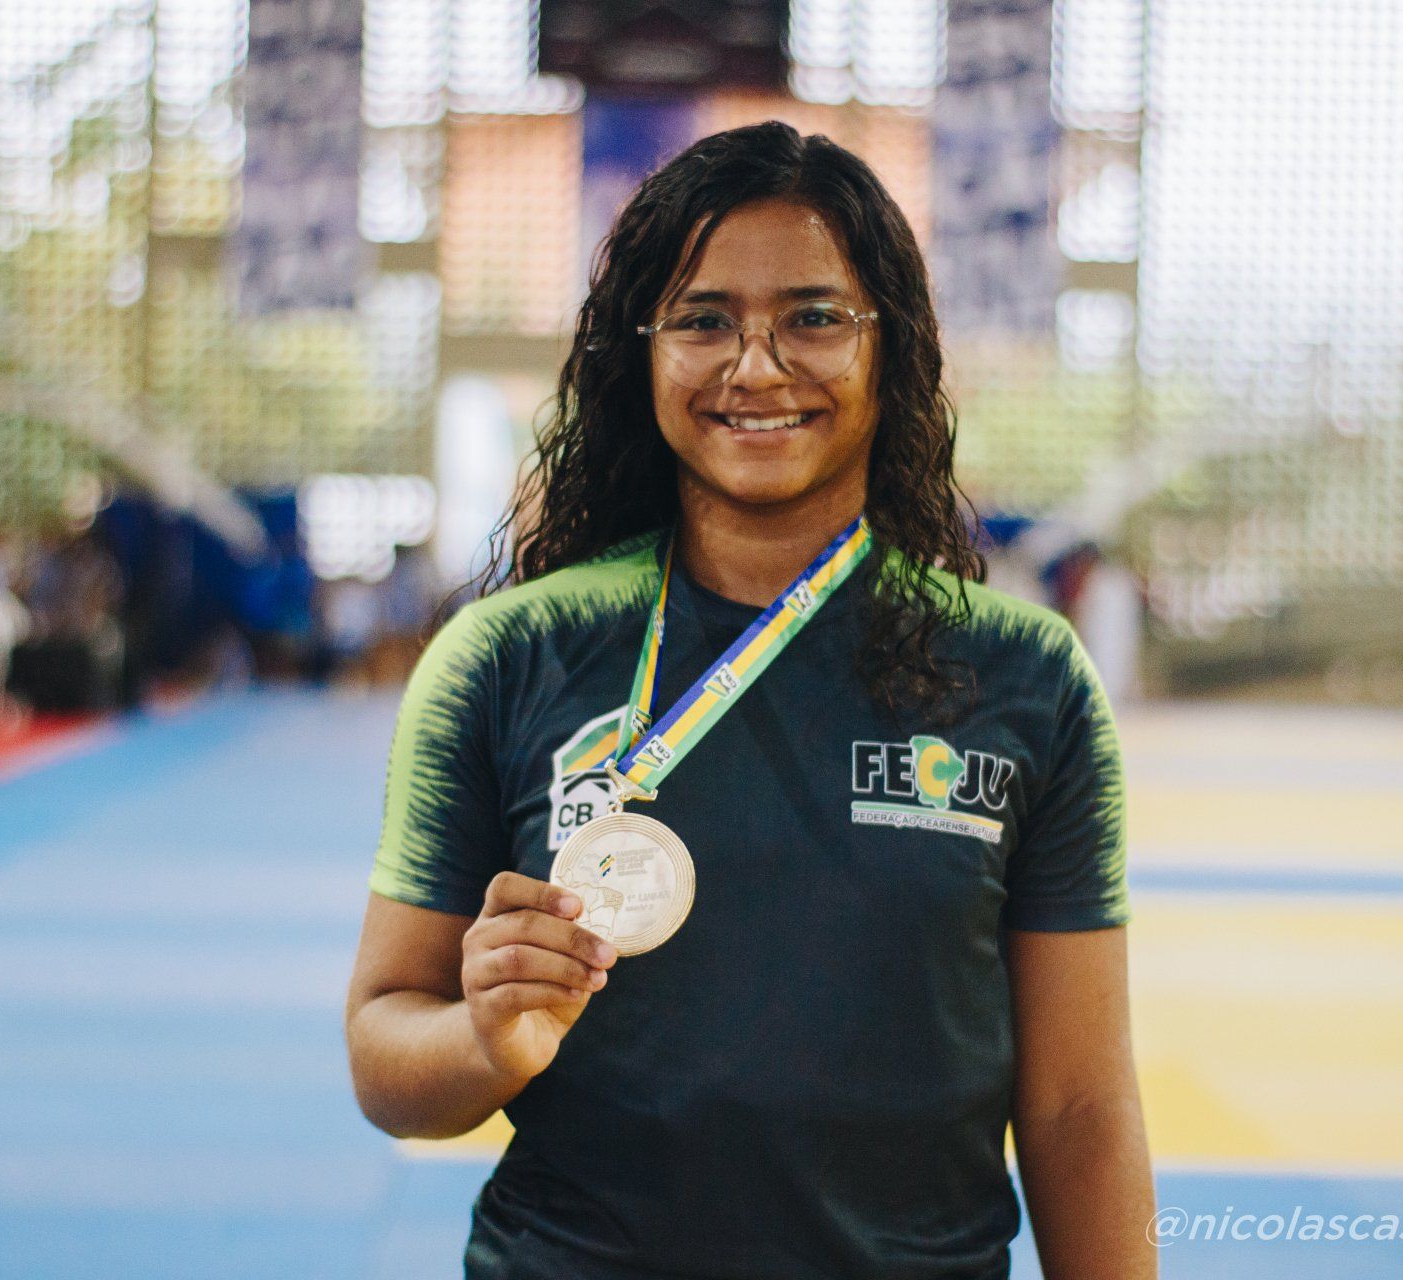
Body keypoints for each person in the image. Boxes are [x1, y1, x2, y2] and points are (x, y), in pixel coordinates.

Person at [345, 122, 1156, 1280]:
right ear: (645, 351)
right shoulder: (508, 654)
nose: (758, 365)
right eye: (704, 318)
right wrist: (483, 1037)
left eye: (815, 316)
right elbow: (386, 1051)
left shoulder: (1026, 676)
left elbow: (1079, 1105)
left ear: (895, 346)